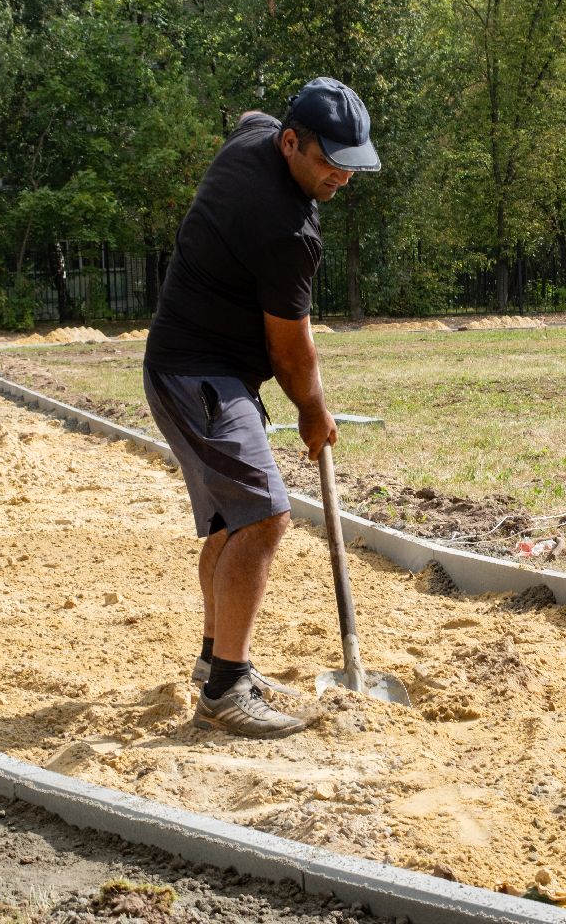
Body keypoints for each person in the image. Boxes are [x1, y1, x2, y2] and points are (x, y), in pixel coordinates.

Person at [142, 77, 380, 739]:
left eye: (351, 162)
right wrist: (313, 410)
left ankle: (216, 665)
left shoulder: (253, 136)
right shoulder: (289, 233)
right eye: (329, 161)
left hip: (181, 367)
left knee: (230, 522)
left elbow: (250, 112)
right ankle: (224, 691)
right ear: (290, 142)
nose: (342, 176)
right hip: (202, 377)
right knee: (267, 518)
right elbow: (291, 350)